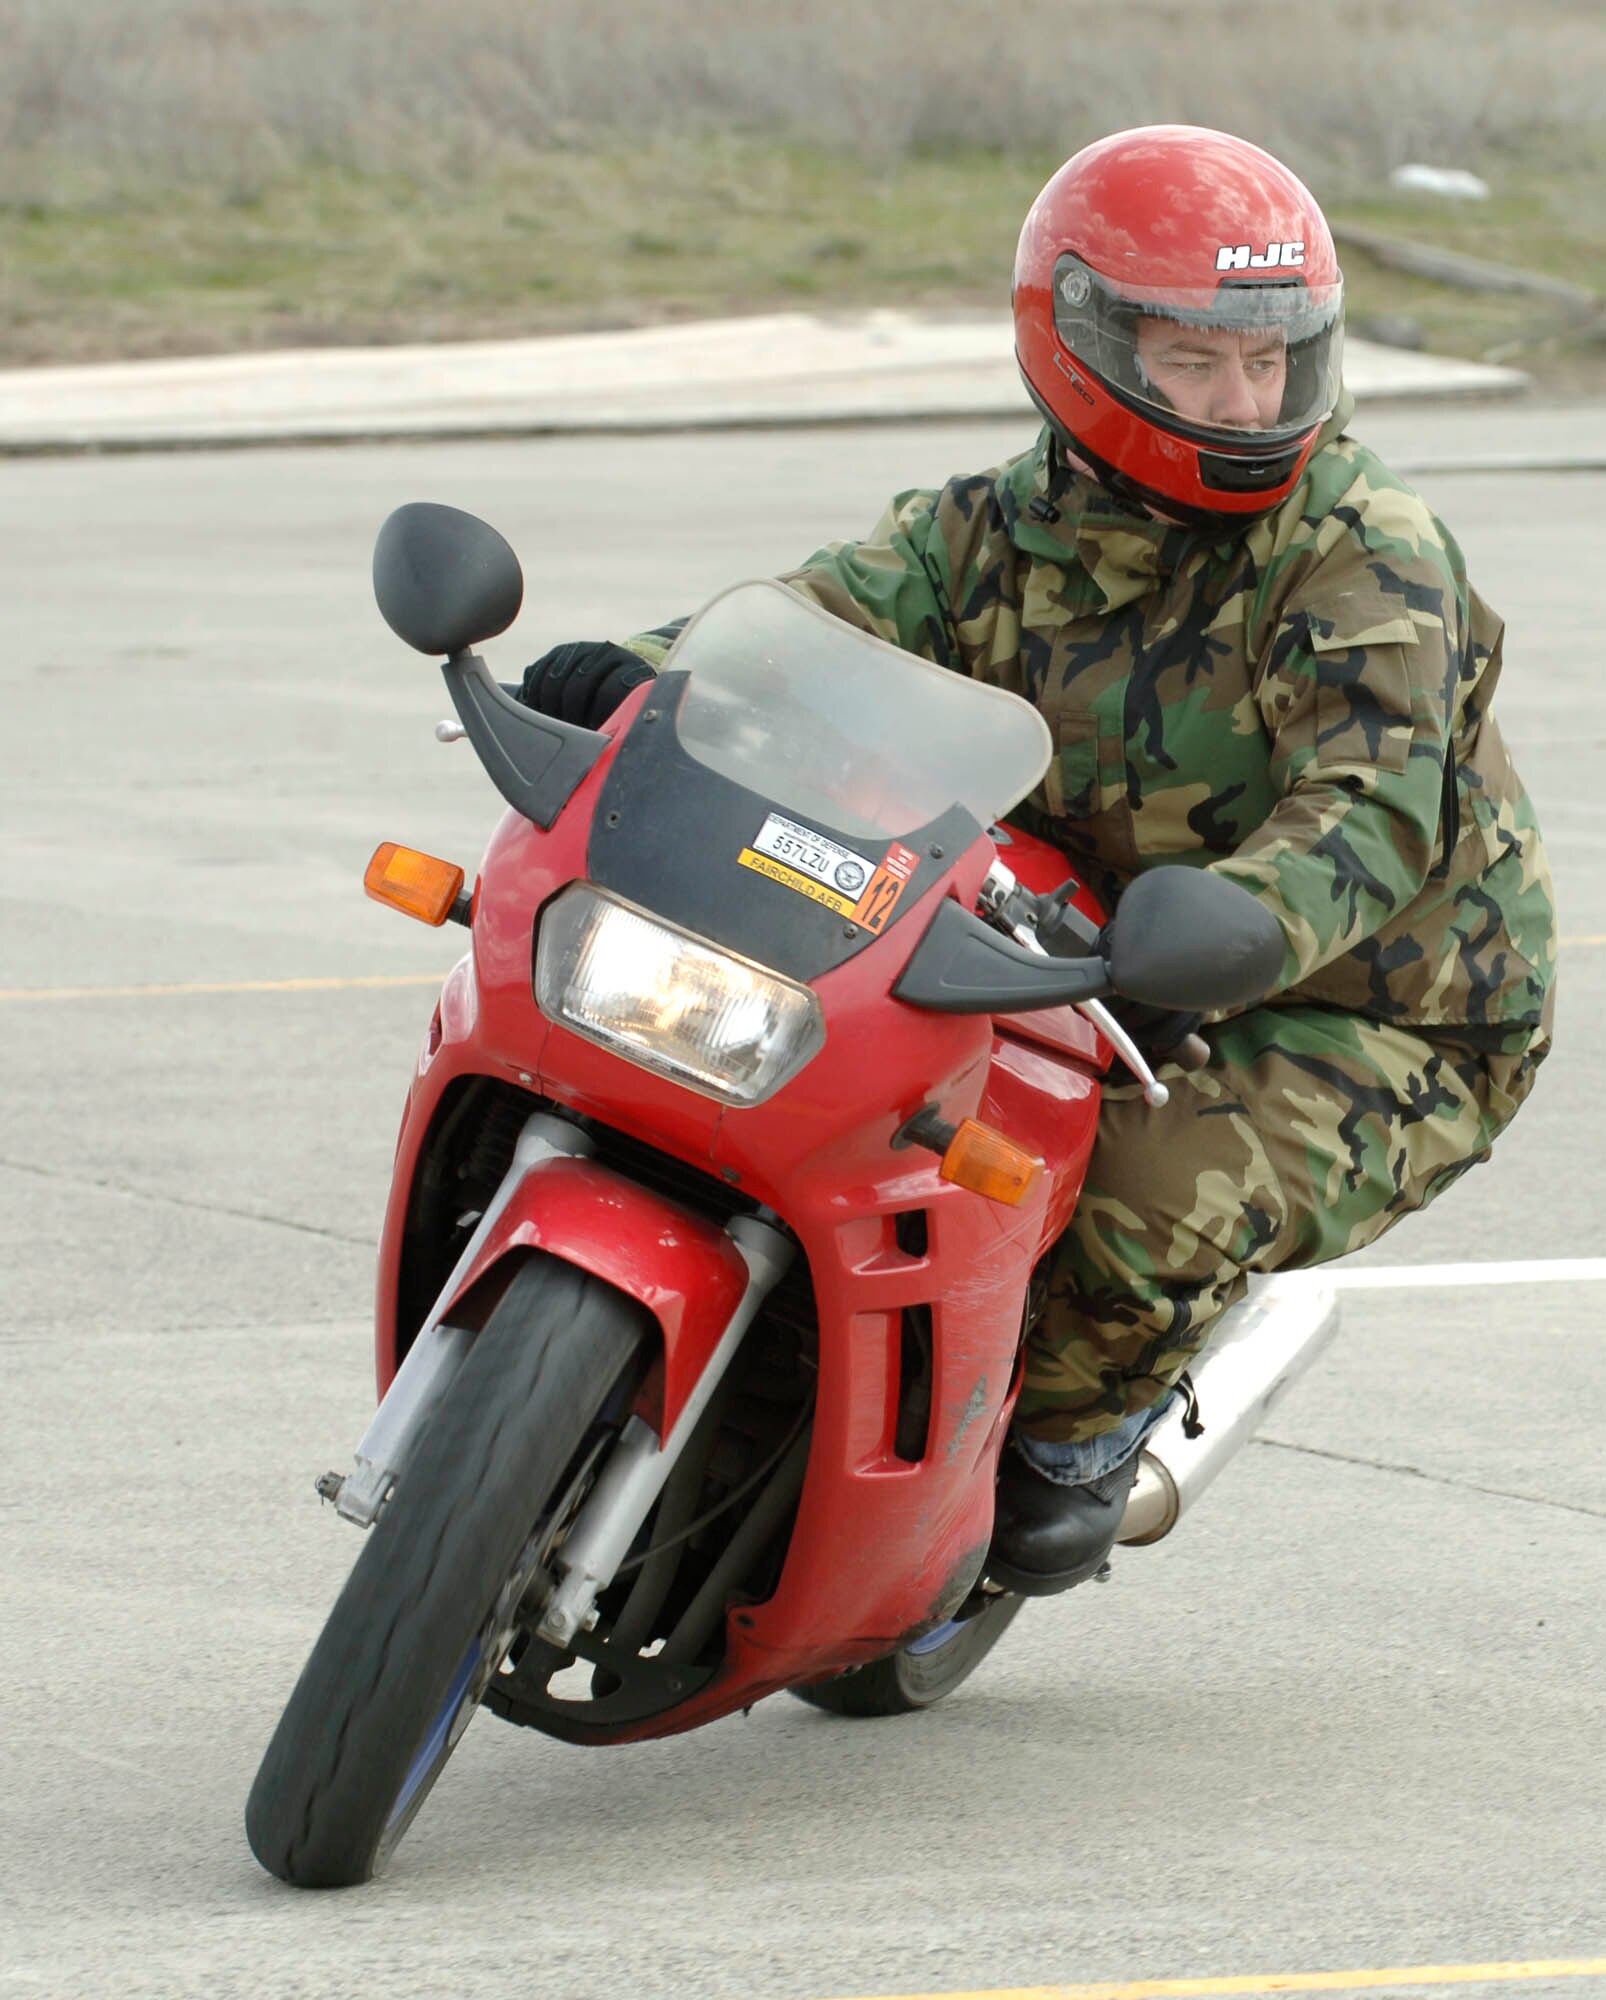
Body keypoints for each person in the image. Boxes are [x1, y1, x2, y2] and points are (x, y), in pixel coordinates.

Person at [516, 125, 1557, 1597]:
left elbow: (1372, 804)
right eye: (1195, 360)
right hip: (1081, 943)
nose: (1244, 401)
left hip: (1371, 1006)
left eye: (1270, 360)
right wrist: (634, 677)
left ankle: (1073, 1440)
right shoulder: (988, 532)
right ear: (1083, 348)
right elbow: (811, 627)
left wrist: (1241, 926)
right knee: (807, 1094)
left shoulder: (1361, 548)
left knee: (1133, 1199)